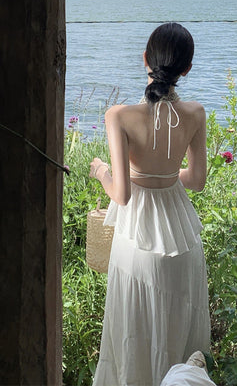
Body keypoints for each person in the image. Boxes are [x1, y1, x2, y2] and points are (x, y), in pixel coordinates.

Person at [90, 22, 211, 386]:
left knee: (133, 330)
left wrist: (100, 171)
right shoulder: (195, 113)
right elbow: (197, 180)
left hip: (138, 239)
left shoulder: (119, 116)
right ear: (187, 69)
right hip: (180, 237)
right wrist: (165, 176)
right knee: (176, 332)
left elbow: (122, 194)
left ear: (145, 58)